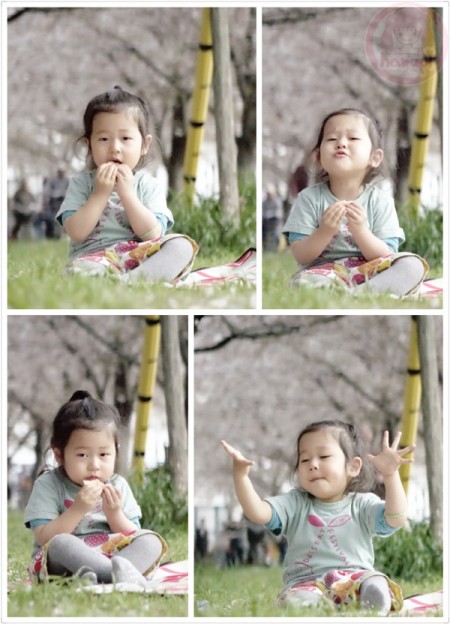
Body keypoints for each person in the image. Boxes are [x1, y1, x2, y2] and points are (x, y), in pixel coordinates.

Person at [221, 420, 415, 614]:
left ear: (353, 467)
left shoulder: (362, 504)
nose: (313, 464)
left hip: (354, 580)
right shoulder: (295, 503)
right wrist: (241, 477)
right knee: (301, 599)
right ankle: (312, 611)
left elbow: (396, 518)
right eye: (304, 460)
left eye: (324, 456)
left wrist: (390, 476)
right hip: (306, 583)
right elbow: (257, 512)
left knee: (374, 581)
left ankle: (372, 609)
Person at [56, 86, 197, 283]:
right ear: (89, 145)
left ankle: (130, 281)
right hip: (95, 258)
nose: (115, 148)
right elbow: (76, 233)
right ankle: (133, 281)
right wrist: (99, 195)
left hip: (140, 257)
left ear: (144, 145)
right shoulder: (81, 184)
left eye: (126, 138)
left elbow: (153, 234)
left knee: (182, 246)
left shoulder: (148, 185)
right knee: (79, 272)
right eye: (104, 139)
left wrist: (128, 195)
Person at [24, 390, 167, 585]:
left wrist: (115, 514)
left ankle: (102, 576)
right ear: (59, 455)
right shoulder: (49, 484)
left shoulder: (118, 485)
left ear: (115, 452)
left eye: (104, 455)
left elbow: (132, 535)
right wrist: (77, 510)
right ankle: (113, 577)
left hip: (113, 555)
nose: (94, 465)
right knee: (60, 543)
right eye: (82, 455)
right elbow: (43, 538)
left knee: (151, 540)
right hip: (64, 563)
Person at [283, 108, 428, 296]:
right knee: (304, 283)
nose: (341, 143)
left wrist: (360, 231)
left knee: (412, 264)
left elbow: (386, 255)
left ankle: (361, 294)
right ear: (318, 157)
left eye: (353, 139)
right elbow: (301, 255)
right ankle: (363, 294)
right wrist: (324, 231)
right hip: (324, 272)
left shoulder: (381, 201)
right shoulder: (309, 199)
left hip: (370, 271)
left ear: (374, 157)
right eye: (332, 139)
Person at [43, 167, 70, 239]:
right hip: (54, 202)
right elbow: (47, 190)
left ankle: (62, 234)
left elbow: (70, 190)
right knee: (54, 219)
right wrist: (54, 193)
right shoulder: (52, 180)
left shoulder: (67, 180)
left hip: (64, 202)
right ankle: (55, 235)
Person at [262, 184, 283, 251]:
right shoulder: (265, 202)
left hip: (275, 220)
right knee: (263, 233)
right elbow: (263, 211)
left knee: (276, 233)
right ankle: (265, 247)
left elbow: (277, 212)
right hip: (266, 220)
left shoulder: (277, 201)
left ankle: (276, 248)